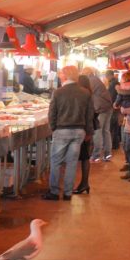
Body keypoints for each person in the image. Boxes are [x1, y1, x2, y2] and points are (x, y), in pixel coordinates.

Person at [45, 65, 93, 200]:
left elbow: (52, 113)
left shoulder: (58, 92)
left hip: (62, 130)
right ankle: (67, 193)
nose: (60, 76)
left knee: (56, 162)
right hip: (79, 131)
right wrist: (88, 132)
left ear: (65, 76)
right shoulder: (85, 93)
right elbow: (89, 115)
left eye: (61, 74)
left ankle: (54, 192)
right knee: (72, 162)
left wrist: (53, 127)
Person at [82, 66, 113, 162]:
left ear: (86, 73)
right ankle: (107, 154)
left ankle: (96, 155)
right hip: (107, 107)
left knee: (98, 131)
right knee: (106, 131)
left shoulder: (91, 80)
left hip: (100, 108)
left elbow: (86, 94)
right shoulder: (96, 79)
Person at [73, 74, 97, 194]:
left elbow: (87, 114)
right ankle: (84, 183)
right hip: (87, 128)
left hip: (83, 128)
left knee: (83, 156)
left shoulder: (83, 93)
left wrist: (87, 131)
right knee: (85, 157)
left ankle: (84, 183)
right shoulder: (88, 92)